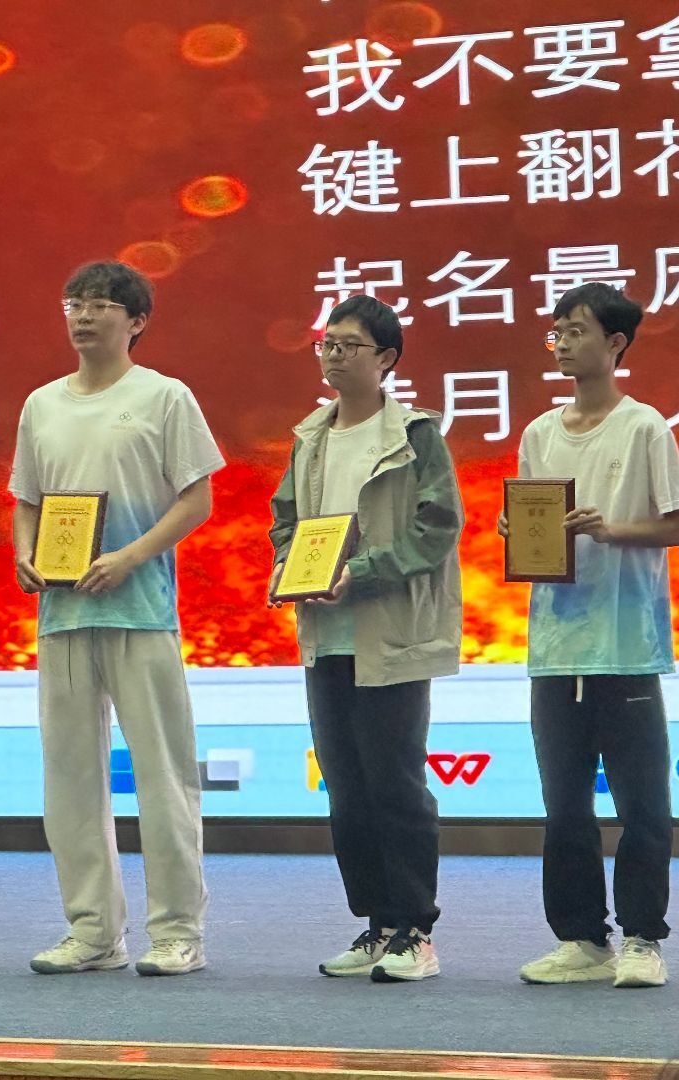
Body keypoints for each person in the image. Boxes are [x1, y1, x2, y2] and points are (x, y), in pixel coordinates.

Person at [11, 261, 223, 977]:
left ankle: (178, 932)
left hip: (140, 610)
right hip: (63, 613)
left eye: (100, 304)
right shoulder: (42, 403)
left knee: (164, 774)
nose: (83, 315)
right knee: (70, 778)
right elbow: (28, 500)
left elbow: (196, 500)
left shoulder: (164, 396)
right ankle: (94, 931)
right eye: (74, 302)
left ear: (136, 321)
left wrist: (131, 556)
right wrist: (24, 553)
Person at [268, 294, 462, 983]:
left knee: (396, 783)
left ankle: (416, 930)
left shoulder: (414, 434)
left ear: (387, 359)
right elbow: (285, 521)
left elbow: (438, 526)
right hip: (326, 632)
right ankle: (377, 923)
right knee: (346, 788)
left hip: (392, 632)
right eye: (326, 344)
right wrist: (290, 569)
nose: (333, 355)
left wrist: (366, 570)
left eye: (349, 345)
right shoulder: (311, 437)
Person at [502, 284, 679, 989]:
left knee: (643, 804)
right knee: (564, 807)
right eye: (556, 331)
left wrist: (610, 530)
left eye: (576, 330)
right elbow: (534, 528)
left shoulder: (644, 428)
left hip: (626, 642)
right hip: (555, 645)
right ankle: (581, 938)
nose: (562, 342)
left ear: (615, 343)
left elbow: (675, 523)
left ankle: (642, 938)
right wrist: (518, 530)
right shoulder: (539, 433)